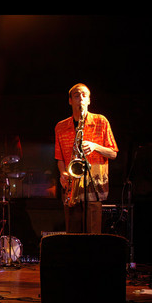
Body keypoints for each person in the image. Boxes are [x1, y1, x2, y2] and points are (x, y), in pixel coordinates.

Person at [54, 83, 118, 233]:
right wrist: (62, 173)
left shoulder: (101, 121)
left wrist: (95, 146)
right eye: (76, 95)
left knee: (93, 236)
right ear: (70, 101)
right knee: (73, 237)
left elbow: (113, 153)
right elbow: (59, 158)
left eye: (84, 95)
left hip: (94, 187)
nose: (81, 98)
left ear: (89, 100)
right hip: (71, 188)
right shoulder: (60, 127)